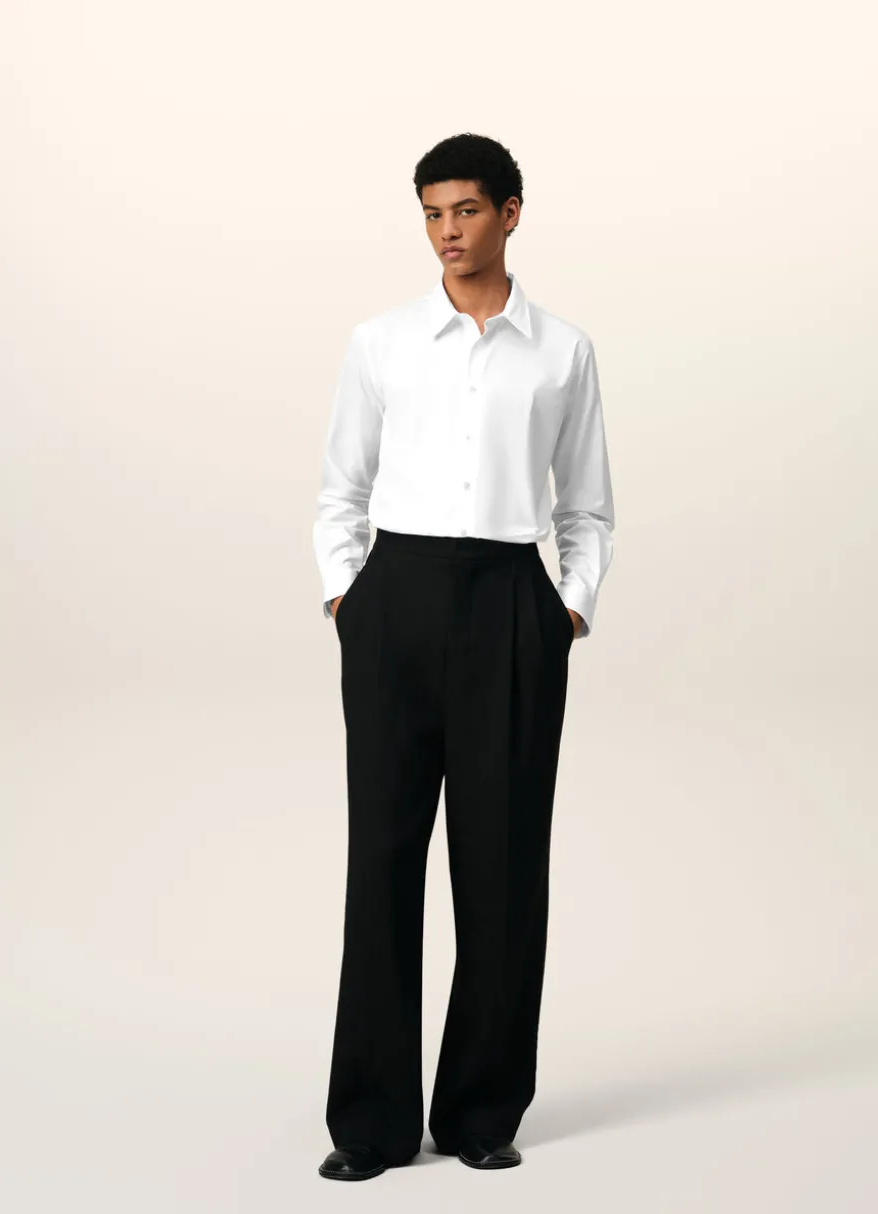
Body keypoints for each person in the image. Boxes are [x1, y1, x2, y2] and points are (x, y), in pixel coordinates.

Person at [312, 132, 615, 1181]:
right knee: (382, 863)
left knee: (503, 866)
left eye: (467, 210)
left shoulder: (561, 350)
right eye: (433, 213)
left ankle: (482, 1110)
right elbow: (340, 489)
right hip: (393, 603)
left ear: (510, 213)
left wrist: (565, 609)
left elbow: (587, 506)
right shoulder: (382, 342)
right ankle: (371, 1124)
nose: (447, 230)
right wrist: (349, 598)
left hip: (510, 606)